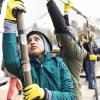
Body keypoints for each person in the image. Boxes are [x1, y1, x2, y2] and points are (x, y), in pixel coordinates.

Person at [3, 0, 75, 100]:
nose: (32, 42)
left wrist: (45, 94)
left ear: (46, 45)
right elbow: (10, 61)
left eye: (37, 39)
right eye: (29, 41)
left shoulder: (58, 64)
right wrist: (9, 24)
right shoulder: (25, 66)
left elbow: (70, 96)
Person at [46, 0, 87, 100]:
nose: (59, 39)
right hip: (62, 94)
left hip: (72, 96)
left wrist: (50, 2)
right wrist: (65, 13)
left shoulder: (74, 51)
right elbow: (67, 31)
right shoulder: (68, 49)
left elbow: (62, 30)